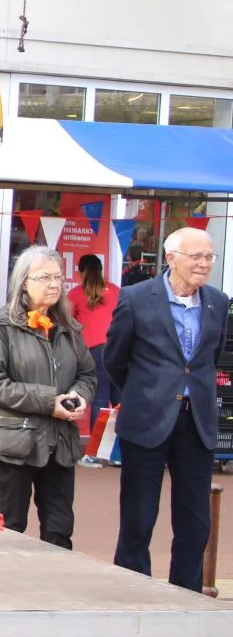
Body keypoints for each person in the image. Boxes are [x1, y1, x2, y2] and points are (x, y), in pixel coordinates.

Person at [105, 227, 229, 593]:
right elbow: (115, 359)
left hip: (197, 422)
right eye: (196, 256)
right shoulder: (136, 298)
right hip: (146, 420)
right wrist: (146, 393)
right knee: (139, 516)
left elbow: (211, 357)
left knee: (195, 521)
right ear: (171, 257)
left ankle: (185, 596)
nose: (204, 263)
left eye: (209, 257)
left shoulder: (218, 302)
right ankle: (132, 591)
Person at [0, 246, 96, 549]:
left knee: (59, 530)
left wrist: (78, 396)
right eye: (45, 277)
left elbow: (88, 374)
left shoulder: (68, 327)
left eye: (58, 277)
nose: (54, 284)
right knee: (11, 524)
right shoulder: (2, 326)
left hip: (60, 444)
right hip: (17, 442)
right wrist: (48, 402)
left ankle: (56, 591)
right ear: (24, 282)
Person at [66, 254, 121, 434]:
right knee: (120, 401)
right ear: (101, 270)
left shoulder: (75, 294)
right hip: (119, 349)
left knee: (100, 400)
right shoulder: (116, 290)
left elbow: (66, 324)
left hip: (95, 352)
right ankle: (119, 451)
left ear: (81, 272)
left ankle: (95, 452)